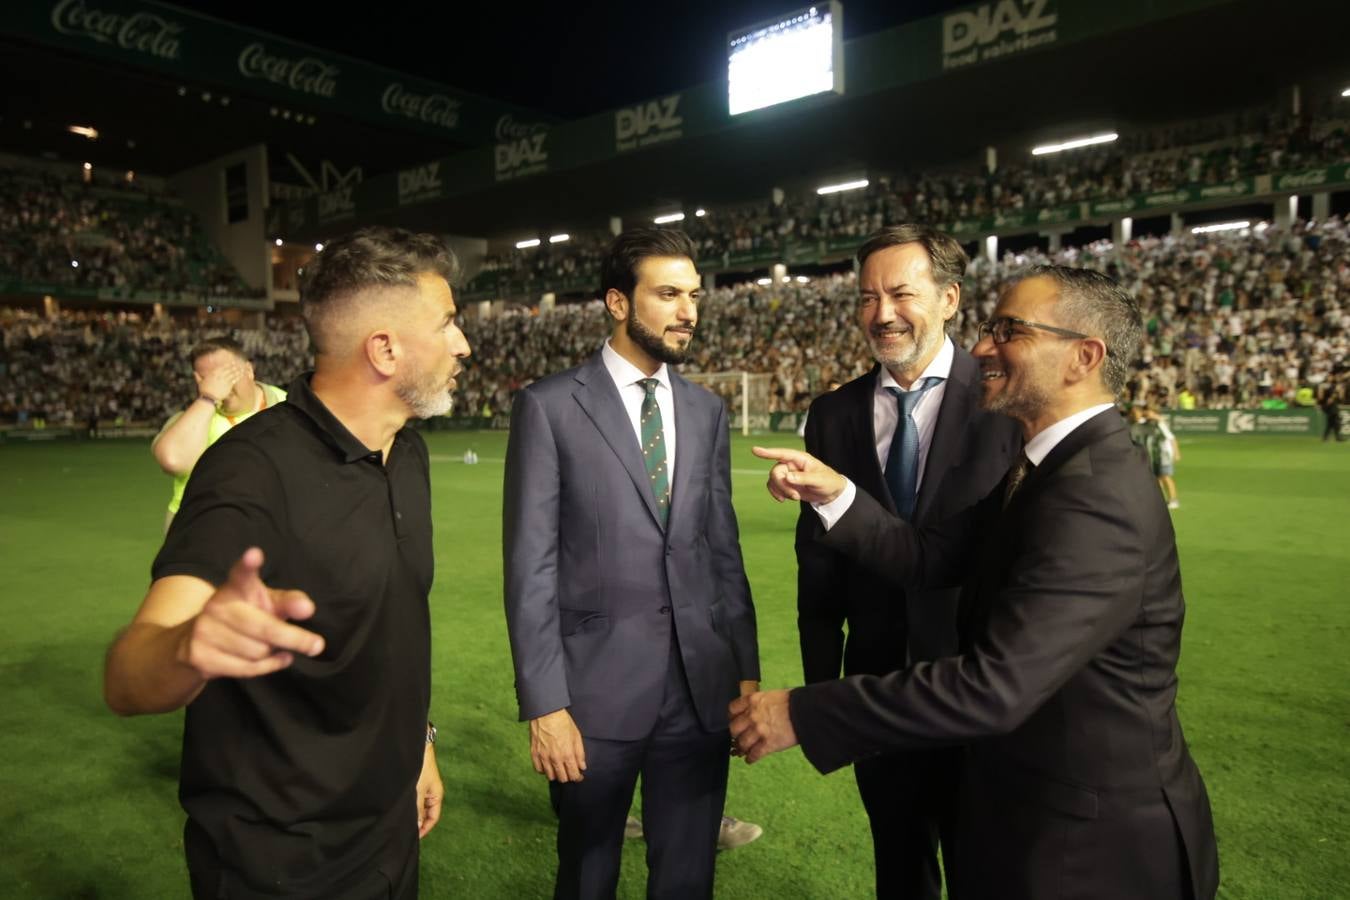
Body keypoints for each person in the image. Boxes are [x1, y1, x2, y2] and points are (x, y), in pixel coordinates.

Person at [736, 265, 1219, 900]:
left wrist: (802, 711)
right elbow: (927, 555)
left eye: (1009, 330)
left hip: (1089, 850)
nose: (984, 346)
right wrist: (837, 494)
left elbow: (995, 687)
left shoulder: (1094, 494)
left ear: (1084, 356)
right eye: (989, 328)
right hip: (1031, 815)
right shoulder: (1045, 470)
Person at [103, 226, 471, 899]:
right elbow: (128, 676)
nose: (463, 343)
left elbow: (391, 626)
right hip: (276, 861)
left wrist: (419, 744)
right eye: (448, 322)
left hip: (389, 829)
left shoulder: (406, 453)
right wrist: (190, 646)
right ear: (384, 348)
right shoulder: (250, 469)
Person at [503, 227, 759, 899]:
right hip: (593, 696)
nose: (689, 311)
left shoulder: (707, 411)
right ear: (618, 302)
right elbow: (529, 566)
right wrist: (546, 703)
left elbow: (721, 551)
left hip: (700, 691)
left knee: (687, 879)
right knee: (587, 877)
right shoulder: (549, 406)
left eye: (694, 295)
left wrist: (745, 671)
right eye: (669, 294)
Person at [795, 225, 1018, 898]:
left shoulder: (1007, 396)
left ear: (949, 298)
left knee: (993, 870)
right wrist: (821, 687)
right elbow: (818, 561)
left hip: (985, 685)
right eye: (867, 297)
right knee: (900, 866)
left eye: (900, 293)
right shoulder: (832, 414)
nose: (881, 313)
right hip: (875, 686)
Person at [151, 337, 286, 531]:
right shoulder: (192, 420)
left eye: (227, 374)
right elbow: (173, 461)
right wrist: (208, 398)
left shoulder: (288, 405)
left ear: (248, 370)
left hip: (272, 530)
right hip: (200, 532)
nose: (221, 384)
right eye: (209, 379)